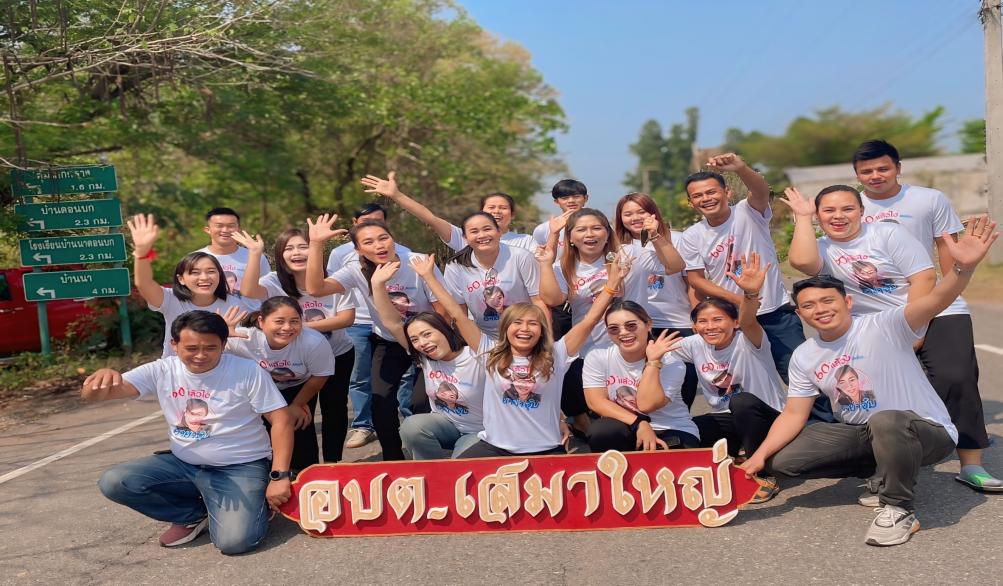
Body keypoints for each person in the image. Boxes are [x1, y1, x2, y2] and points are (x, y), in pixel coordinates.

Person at [739, 215, 999, 546]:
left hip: (925, 432)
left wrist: (962, 269)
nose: (820, 309)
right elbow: (793, 414)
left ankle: (898, 509)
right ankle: (880, 471)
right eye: (809, 305)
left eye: (828, 300)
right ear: (800, 313)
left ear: (847, 302)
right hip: (864, 435)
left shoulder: (884, 325)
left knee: (886, 420)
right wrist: (759, 457)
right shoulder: (805, 355)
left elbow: (937, 300)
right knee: (783, 461)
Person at [852, 139, 1001, 492]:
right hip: (878, 313)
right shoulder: (851, 205)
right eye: (866, 171)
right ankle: (885, 465)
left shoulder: (929, 199)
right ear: (857, 175)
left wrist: (950, 290)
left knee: (957, 376)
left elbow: (948, 248)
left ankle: (971, 464)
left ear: (898, 168)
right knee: (877, 389)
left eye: (883, 168)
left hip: (936, 302)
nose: (875, 175)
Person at [86, 310, 293, 554]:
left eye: (211, 348)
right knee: (115, 481)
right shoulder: (162, 370)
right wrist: (99, 379)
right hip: (184, 464)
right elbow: (94, 396)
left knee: (235, 543)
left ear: (223, 344)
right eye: (191, 348)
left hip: (240, 466)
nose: (201, 355)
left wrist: (279, 476)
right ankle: (191, 515)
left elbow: (281, 420)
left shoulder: (247, 371)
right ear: (174, 344)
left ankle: (256, 504)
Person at [456, 252, 631, 458]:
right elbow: (458, 316)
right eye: (517, 323)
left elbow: (590, 320)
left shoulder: (556, 354)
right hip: (494, 448)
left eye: (532, 323)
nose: (524, 329)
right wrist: (428, 276)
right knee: (452, 473)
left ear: (541, 331)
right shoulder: (490, 353)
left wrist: (611, 285)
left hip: (546, 449)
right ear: (505, 328)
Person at [306, 214, 444, 461]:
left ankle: (430, 457)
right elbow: (316, 288)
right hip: (389, 341)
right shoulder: (355, 270)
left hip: (427, 342)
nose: (379, 246)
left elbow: (442, 311)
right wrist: (316, 245)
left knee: (419, 402)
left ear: (393, 239)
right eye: (368, 242)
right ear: (358, 249)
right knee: (380, 402)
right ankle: (393, 459)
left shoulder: (418, 262)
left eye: (383, 238)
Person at [538, 208, 684, 440]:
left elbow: (675, 266)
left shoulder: (629, 253)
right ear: (571, 238)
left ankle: (663, 432)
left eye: (596, 228)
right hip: (590, 349)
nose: (590, 234)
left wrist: (656, 236)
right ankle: (589, 428)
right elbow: (552, 299)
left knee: (647, 398)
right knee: (596, 408)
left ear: (607, 233)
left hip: (634, 345)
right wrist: (546, 264)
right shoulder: (564, 266)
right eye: (581, 230)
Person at [676, 153, 806, 388]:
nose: (706, 198)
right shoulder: (691, 236)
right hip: (734, 319)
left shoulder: (748, 211)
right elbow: (696, 279)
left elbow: (761, 191)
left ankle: (817, 413)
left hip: (775, 313)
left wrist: (740, 168)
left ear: (727, 193)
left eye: (711, 192)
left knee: (801, 377)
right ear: (690, 202)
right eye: (698, 196)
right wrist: (739, 300)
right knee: (750, 385)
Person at [669, 252, 787, 503]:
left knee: (741, 401)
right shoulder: (695, 344)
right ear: (694, 327)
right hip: (729, 420)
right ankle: (736, 454)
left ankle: (764, 475)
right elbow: (652, 349)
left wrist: (750, 293)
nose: (710, 326)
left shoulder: (749, 340)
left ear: (735, 323)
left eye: (718, 320)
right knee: (686, 430)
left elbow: (749, 320)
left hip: (768, 419)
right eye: (702, 322)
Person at [232, 227, 356, 463]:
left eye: (303, 246)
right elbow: (248, 290)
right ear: (280, 255)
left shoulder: (335, 280)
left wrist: (300, 327)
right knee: (300, 411)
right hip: (295, 360)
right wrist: (255, 253)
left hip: (337, 353)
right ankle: (304, 465)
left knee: (334, 409)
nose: (296, 253)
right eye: (289, 248)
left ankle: (332, 463)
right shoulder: (273, 282)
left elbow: (346, 319)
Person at [369, 256, 488, 460]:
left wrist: (428, 277)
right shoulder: (426, 358)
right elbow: (392, 323)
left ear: (444, 330)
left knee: (461, 461)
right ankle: (430, 468)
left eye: (427, 334)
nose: (422, 343)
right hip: (446, 426)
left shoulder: (477, 355)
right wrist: (377, 285)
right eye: (415, 339)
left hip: (479, 432)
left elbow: (457, 315)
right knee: (412, 427)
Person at [326, 203, 414, 450]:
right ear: (355, 224)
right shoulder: (343, 255)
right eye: (366, 223)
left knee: (407, 384)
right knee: (361, 379)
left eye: (380, 223)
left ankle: (412, 427)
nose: (377, 243)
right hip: (361, 322)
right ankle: (364, 426)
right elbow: (327, 286)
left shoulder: (407, 255)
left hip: (405, 330)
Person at [783, 185, 936, 316]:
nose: (838, 216)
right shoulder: (820, 247)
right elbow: (803, 263)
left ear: (861, 211)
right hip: (866, 324)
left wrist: (912, 325)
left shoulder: (888, 232)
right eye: (829, 210)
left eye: (848, 209)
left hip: (922, 314)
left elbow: (925, 279)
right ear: (817, 215)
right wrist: (803, 217)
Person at [221, 297, 334, 472]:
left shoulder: (314, 342)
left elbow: (320, 376)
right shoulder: (241, 337)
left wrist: (297, 404)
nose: (287, 328)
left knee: (300, 424)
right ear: (261, 321)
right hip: (258, 389)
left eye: (294, 321)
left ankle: (304, 473)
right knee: (262, 431)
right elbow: (208, 355)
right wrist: (221, 336)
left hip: (299, 387)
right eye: (279, 321)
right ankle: (264, 472)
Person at [613, 191, 700, 408]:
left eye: (641, 212)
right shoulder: (617, 248)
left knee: (684, 383)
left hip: (677, 322)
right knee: (645, 384)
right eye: (628, 214)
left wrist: (696, 316)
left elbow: (691, 282)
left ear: (653, 213)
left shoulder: (677, 239)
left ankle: (682, 424)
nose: (635, 218)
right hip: (639, 325)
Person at [582, 300, 699, 454]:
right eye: (614, 329)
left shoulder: (672, 361)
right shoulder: (598, 355)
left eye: (631, 326)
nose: (623, 333)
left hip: (669, 427)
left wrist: (653, 362)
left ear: (648, 324)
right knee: (602, 431)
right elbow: (596, 402)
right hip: (627, 425)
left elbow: (646, 405)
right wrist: (639, 423)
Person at [127, 213, 250, 358]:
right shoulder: (170, 299)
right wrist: (141, 253)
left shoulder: (234, 306)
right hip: (176, 368)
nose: (204, 277)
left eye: (211, 271)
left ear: (220, 276)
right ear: (181, 279)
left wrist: (225, 335)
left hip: (217, 368)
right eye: (195, 272)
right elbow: (144, 283)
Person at [358, 172, 535, 251]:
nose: (497, 211)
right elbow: (430, 218)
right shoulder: (465, 238)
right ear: (481, 212)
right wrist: (397, 196)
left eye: (503, 208)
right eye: (491, 207)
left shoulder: (526, 241)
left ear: (512, 215)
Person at [439, 212, 547, 336]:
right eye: (474, 231)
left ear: (499, 232)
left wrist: (546, 339)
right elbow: (459, 313)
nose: (482, 235)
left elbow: (539, 301)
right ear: (465, 237)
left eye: (487, 229)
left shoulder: (521, 257)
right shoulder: (455, 266)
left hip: (524, 334)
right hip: (483, 337)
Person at [197, 207, 270, 296]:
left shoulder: (256, 256)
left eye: (231, 226)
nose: (225, 230)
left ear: (239, 229)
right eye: (219, 226)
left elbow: (267, 289)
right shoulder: (195, 258)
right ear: (208, 230)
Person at [531, 179, 590, 248]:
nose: (571, 201)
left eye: (576, 197)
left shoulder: (598, 224)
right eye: (565, 198)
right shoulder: (543, 229)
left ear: (586, 198)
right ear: (556, 201)